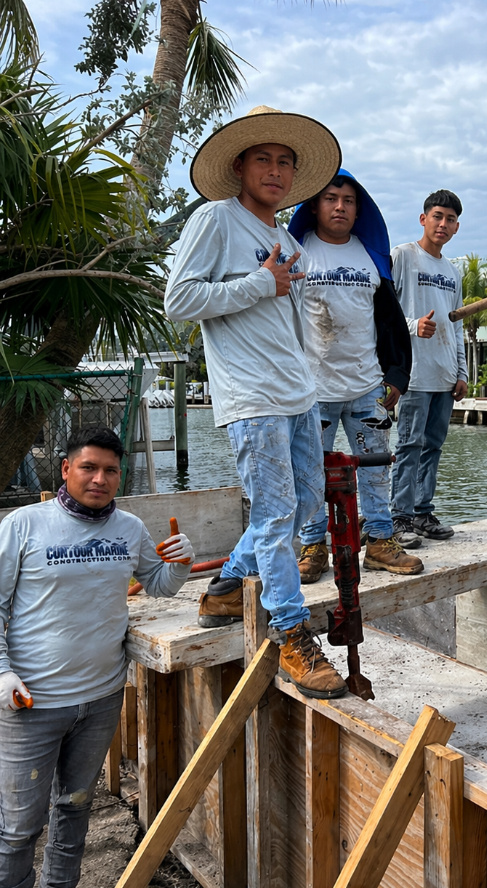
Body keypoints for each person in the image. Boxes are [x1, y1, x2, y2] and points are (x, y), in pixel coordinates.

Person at [0, 427, 193, 888]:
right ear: (65, 469)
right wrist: (3, 671)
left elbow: (158, 585)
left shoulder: (128, 528)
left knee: (74, 811)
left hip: (101, 697)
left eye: (110, 470)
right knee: (17, 830)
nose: (100, 479)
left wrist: (179, 563)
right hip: (30, 704)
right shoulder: (23, 526)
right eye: (88, 467)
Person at [164, 105, 349, 699]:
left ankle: (225, 586)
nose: (275, 170)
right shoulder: (217, 219)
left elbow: (288, 325)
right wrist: (259, 283)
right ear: (240, 167)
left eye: (285, 162)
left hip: (298, 393)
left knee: (302, 505)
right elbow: (178, 300)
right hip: (252, 395)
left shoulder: (285, 238)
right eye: (263, 159)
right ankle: (290, 632)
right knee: (274, 514)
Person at [287, 170, 423, 580]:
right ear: (314, 206)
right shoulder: (297, 252)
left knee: (376, 469)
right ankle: (314, 547)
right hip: (312, 390)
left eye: (348, 200)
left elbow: (391, 321)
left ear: (358, 210)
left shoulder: (370, 256)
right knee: (310, 472)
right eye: (331, 198)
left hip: (367, 387)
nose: (340, 207)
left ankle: (380, 541)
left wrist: (396, 375)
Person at [389, 189, 468, 543]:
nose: (443, 224)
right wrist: (413, 325)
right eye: (437, 216)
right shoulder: (403, 256)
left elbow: (457, 325)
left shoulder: (453, 272)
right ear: (423, 219)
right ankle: (399, 517)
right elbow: (384, 311)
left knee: (433, 447)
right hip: (413, 374)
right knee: (408, 446)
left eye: (450, 219)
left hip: (444, 375)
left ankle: (422, 512)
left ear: (456, 227)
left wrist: (462, 372)